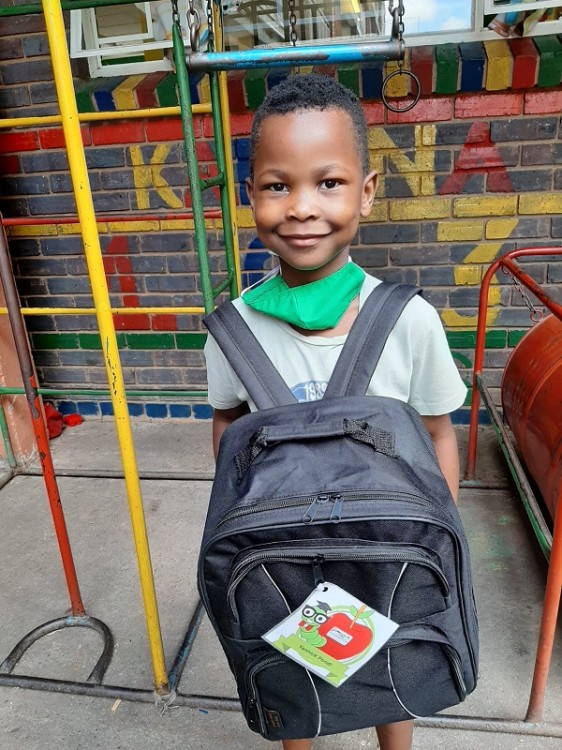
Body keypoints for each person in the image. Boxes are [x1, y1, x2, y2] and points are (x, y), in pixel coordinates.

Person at [204, 73, 467, 750]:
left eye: (328, 182)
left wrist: (435, 527)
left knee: (389, 657)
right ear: (250, 195)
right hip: (283, 552)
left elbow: (437, 433)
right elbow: (229, 422)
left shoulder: (408, 321)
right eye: (277, 185)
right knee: (293, 666)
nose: (301, 208)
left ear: (366, 192)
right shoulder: (234, 330)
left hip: (384, 544)